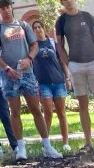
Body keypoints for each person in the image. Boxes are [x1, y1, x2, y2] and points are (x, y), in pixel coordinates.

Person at [0, 0, 62, 160]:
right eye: (2, 8)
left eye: (7, 7)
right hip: (9, 76)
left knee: (36, 109)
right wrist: (7, 69)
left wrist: (29, 58)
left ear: (11, 7)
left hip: (27, 73)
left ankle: (47, 146)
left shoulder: (23, 25)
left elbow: (34, 45)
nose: (5, 10)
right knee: (14, 112)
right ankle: (21, 148)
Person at [53, 0, 94, 152]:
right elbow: (59, 44)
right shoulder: (61, 21)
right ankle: (88, 143)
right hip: (76, 65)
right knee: (83, 104)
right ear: (62, 2)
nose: (68, 1)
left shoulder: (87, 16)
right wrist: (67, 64)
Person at [30, 20, 70, 154]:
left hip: (58, 81)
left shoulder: (52, 43)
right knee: (47, 114)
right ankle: (46, 144)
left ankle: (65, 143)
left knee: (61, 113)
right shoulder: (33, 46)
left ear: (44, 28)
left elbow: (62, 61)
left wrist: (67, 77)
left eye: (39, 27)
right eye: (35, 28)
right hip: (43, 84)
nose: (37, 30)